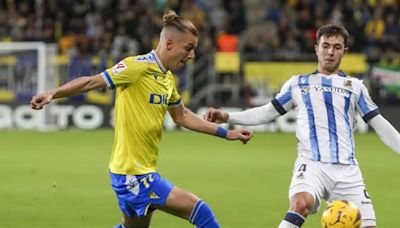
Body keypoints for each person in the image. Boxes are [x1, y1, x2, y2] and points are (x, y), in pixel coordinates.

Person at [31, 10, 253, 228]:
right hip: (133, 175)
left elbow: (182, 116)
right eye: (188, 48)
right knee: (200, 211)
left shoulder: (166, 79)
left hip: (136, 172)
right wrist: (53, 93)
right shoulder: (136, 67)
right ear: (168, 44)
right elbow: (91, 82)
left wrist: (228, 133)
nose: (192, 55)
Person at [204, 24, 400, 228]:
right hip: (311, 165)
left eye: (337, 47)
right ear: (316, 48)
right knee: (300, 203)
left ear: (345, 52)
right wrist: (227, 116)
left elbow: (380, 124)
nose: (330, 52)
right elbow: (267, 111)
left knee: (367, 226)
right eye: (325, 46)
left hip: (347, 170)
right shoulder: (298, 83)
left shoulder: (355, 87)